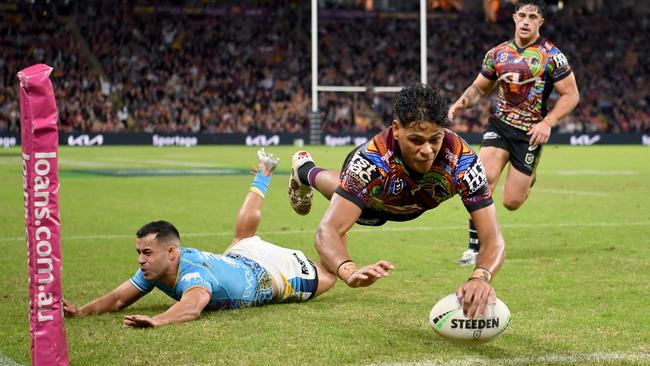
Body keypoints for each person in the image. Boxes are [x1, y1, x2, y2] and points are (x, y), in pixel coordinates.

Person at [288, 83, 505, 319]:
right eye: (416, 140)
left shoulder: (464, 162)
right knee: (356, 205)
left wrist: (480, 276)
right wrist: (348, 269)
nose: (427, 150)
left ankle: (307, 171)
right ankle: (305, 172)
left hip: (414, 203)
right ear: (396, 129)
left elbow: (493, 238)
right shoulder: (370, 161)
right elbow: (326, 231)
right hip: (377, 199)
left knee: (350, 195)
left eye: (435, 139)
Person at [63, 149, 336, 328]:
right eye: (140, 252)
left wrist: (157, 320)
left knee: (331, 275)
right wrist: (82, 312)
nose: (140, 260)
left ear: (171, 253)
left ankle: (339, 210)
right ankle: (265, 173)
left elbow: (191, 307)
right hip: (241, 256)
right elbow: (118, 299)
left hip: (277, 275)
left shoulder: (192, 276)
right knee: (243, 236)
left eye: (147, 253)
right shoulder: (154, 271)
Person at [448, 0, 579, 265]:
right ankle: (475, 248)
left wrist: (548, 122)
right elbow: (479, 88)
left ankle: (528, 179)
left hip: (530, 132)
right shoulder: (497, 53)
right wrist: (461, 102)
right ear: (514, 18)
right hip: (500, 126)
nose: (526, 20)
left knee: (511, 202)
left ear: (540, 22)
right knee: (482, 180)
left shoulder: (552, 56)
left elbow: (571, 95)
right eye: (522, 15)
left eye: (533, 16)